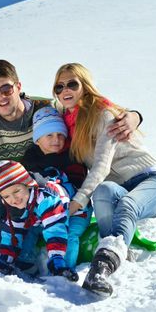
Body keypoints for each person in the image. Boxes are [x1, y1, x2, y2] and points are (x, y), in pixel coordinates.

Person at [0, 59, 141, 271]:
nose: (1, 97)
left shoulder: (47, 108)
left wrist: (133, 116)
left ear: (18, 86)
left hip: (37, 188)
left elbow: (84, 105)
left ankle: (7, 253)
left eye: (6, 89)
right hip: (3, 179)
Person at [51, 63, 156, 296]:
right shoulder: (68, 119)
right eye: (59, 86)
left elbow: (101, 166)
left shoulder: (103, 113)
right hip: (117, 187)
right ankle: (115, 250)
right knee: (103, 191)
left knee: (126, 204)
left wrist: (79, 200)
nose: (65, 90)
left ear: (84, 86)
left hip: (150, 180)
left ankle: (102, 267)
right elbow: (40, 104)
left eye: (72, 84)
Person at [21, 106, 92, 272]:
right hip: (44, 210)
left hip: (75, 209)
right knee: (30, 228)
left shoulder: (71, 156)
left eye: (61, 135)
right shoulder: (30, 158)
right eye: (49, 135)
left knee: (70, 234)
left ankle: (66, 268)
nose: (56, 139)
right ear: (38, 139)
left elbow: (80, 185)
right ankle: (25, 261)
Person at [0, 160, 77, 281]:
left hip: (72, 211)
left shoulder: (46, 199)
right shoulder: (14, 205)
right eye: (6, 196)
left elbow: (55, 228)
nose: (13, 199)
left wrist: (56, 259)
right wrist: (5, 260)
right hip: (39, 217)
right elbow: (11, 233)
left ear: (27, 184)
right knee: (26, 231)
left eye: (16, 191)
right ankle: (26, 263)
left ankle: (63, 267)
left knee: (70, 234)